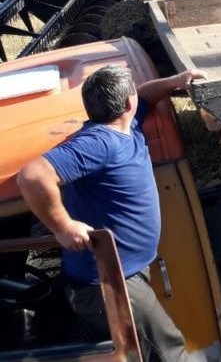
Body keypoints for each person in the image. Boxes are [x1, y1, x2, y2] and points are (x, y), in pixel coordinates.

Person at [17, 65, 205, 362]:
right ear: (126, 104)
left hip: (126, 272)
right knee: (170, 352)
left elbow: (144, 95)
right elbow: (32, 176)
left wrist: (175, 82)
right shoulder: (99, 143)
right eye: (133, 95)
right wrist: (63, 226)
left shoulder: (125, 123)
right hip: (110, 283)